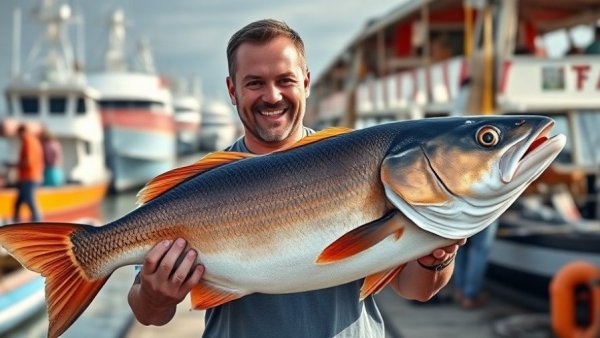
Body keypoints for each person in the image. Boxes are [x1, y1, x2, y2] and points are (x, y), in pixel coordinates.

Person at [127, 19, 465, 337]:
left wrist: (438, 256)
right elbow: (150, 315)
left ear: (305, 82)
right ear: (232, 91)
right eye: (254, 83)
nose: (272, 96)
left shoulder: (357, 162)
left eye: (284, 80)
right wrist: (157, 296)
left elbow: (415, 289)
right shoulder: (202, 185)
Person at [453, 220, 499, 309]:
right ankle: (470, 297)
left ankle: (460, 292)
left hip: (461, 214)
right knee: (480, 251)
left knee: (460, 248)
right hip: (484, 213)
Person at [4, 124, 44, 222]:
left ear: (21, 132)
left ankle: (37, 226)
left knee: (31, 204)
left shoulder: (28, 141)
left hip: (29, 178)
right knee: (18, 204)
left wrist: (12, 165)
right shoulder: (34, 140)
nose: (18, 137)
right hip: (31, 177)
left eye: (18, 134)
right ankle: (16, 225)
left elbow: (28, 162)